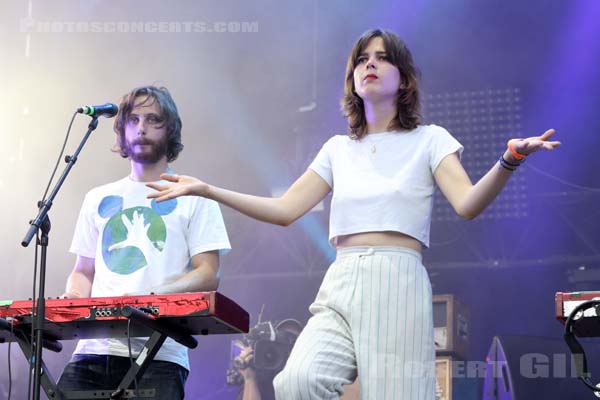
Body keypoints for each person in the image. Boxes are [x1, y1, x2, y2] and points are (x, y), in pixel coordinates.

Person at [146, 28, 560, 399]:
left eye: (381, 58)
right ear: (353, 79)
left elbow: (468, 204)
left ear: (404, 79)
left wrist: (508, 160)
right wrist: (207, 189)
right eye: (362, 60)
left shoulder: (430, 140)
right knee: (298, 383)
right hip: (341, 278)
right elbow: (285, 210)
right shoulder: (337, 149)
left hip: (396, 276)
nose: (370, 65)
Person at [57, 85, 231, 399]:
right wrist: (72, 298)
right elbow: (83, 271)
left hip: (160, 352)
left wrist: (154, 296)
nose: (142, 128)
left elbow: (208, 273)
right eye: (134, 120)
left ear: (171, 130)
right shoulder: (97, 198)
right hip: (92, 350)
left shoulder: (195, 196)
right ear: (122, 130)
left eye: (153, 120)